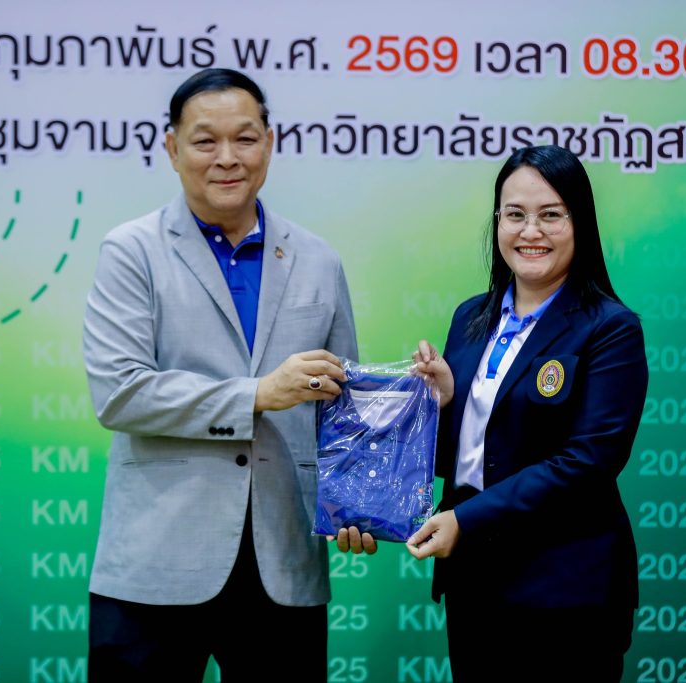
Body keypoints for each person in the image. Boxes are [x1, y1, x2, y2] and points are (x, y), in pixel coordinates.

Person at [82, 68, 373, 682]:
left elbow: (341, 407)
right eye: (204, 141)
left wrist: (360, 504)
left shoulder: (318, 259)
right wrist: (258, 394)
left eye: (244, 138)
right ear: (172, 148)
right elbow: (121, 392)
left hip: (283, 562)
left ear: (270, 142)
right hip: (158, 563)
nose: (227, 158)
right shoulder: (131, 251)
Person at [408, 145, 648, 682]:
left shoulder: (610, 329)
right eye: (514, 214)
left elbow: (587, 463)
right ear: (497, 222)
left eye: (550, 215)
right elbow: (466, 459)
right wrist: (443, 406)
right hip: (474, 582)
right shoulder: (471, 317)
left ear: (579, 222)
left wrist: (465, 521)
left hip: (565, 590)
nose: (530, 231)